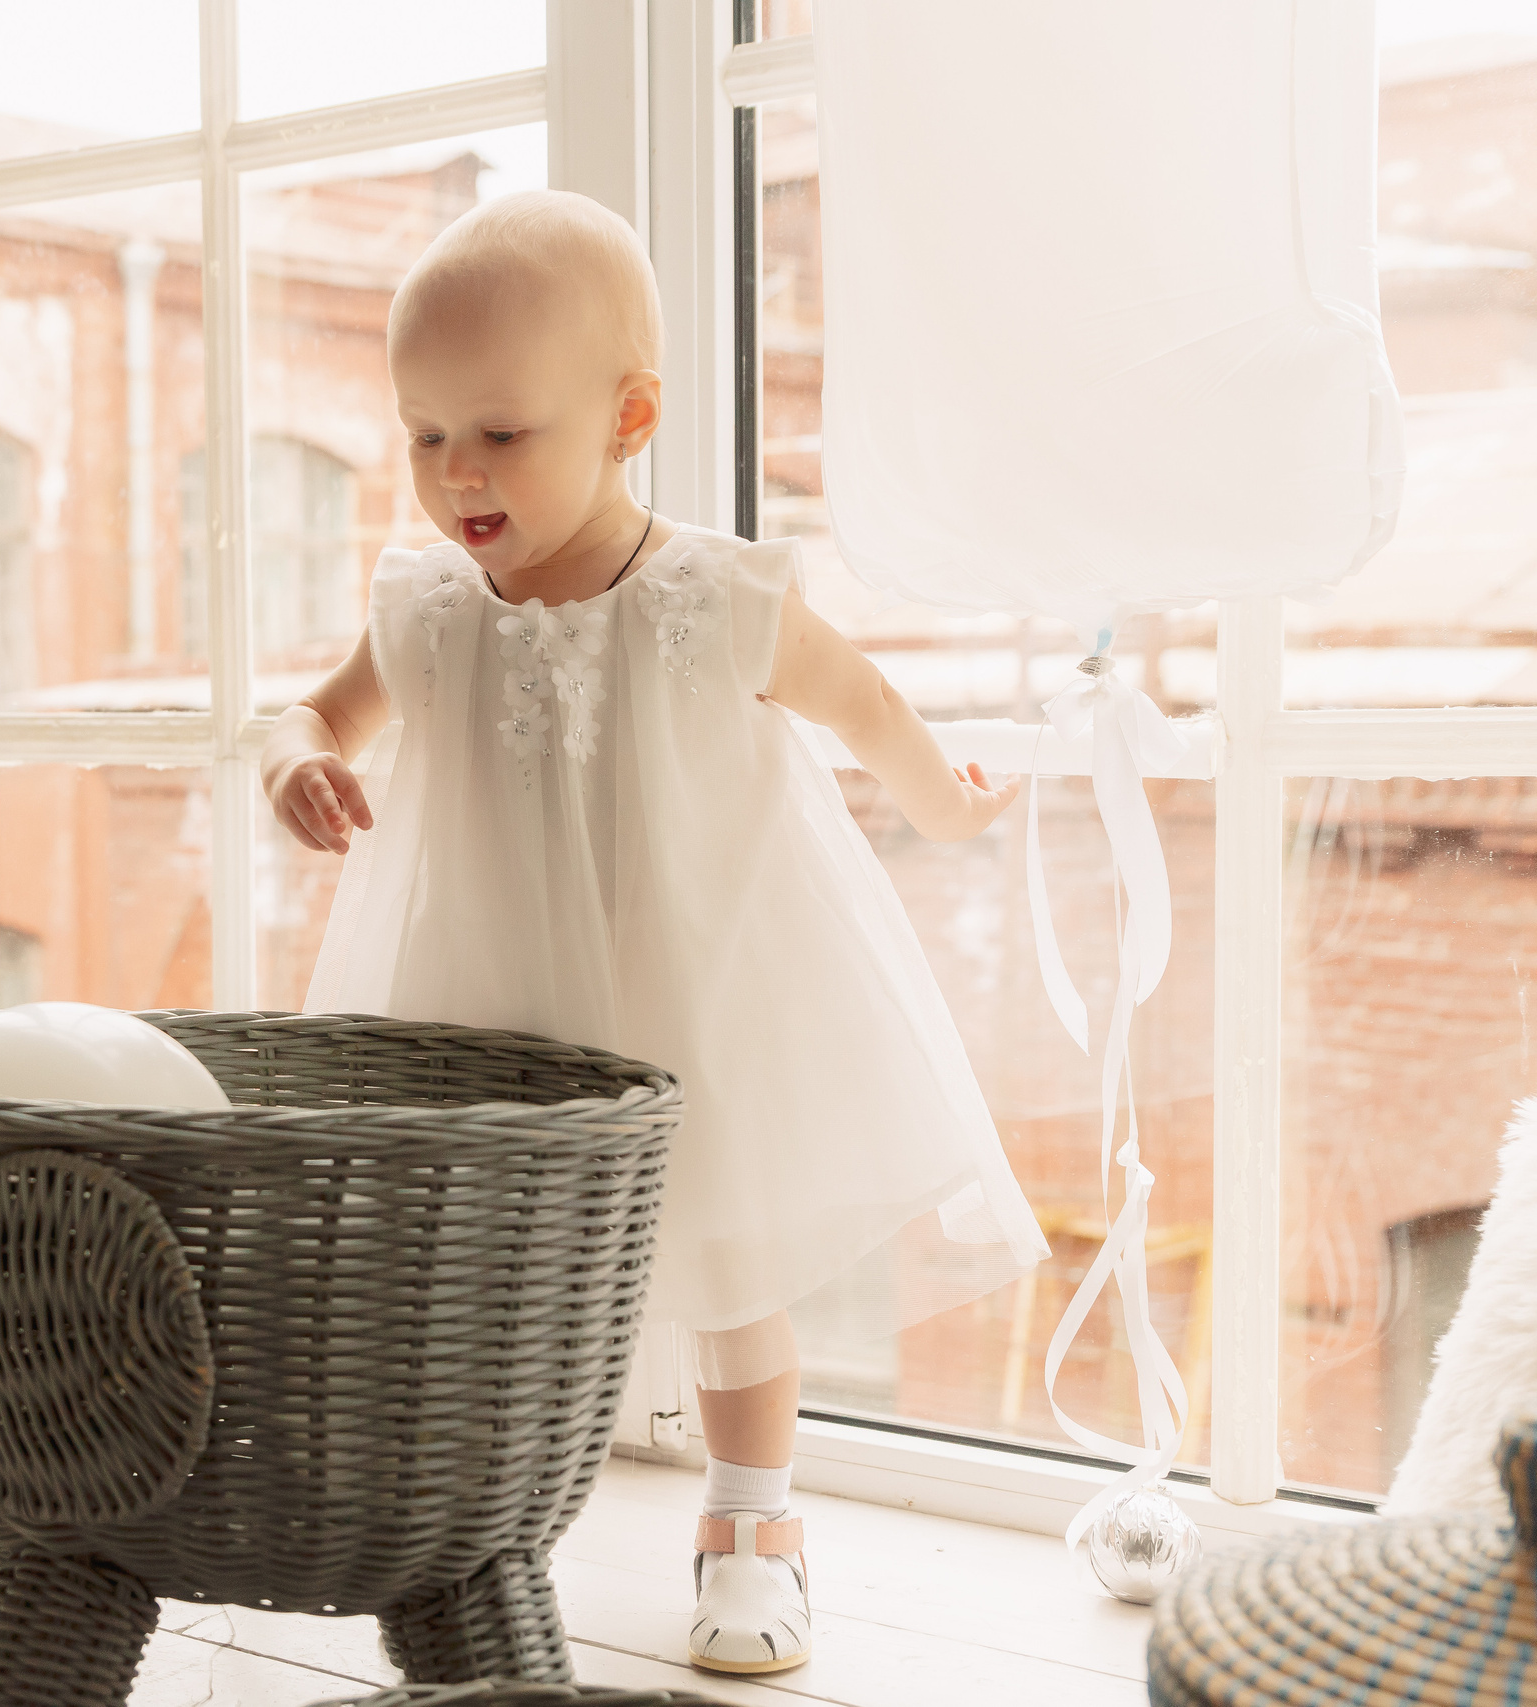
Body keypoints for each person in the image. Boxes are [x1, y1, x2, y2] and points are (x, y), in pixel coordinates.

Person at [263, 190, 1048, 1677]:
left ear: (628, 417)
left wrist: (946, 807)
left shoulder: (710, 595)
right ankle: (475, 1541)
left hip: (691, 994)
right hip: (489, 1011)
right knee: (482, 1285)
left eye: (501, 432)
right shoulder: (431, 609)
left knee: (733, 1272)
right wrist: (295, 760)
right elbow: (318, 710)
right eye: (424, 434)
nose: (456, 473)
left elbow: (866, 700)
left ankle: (752, 1526)